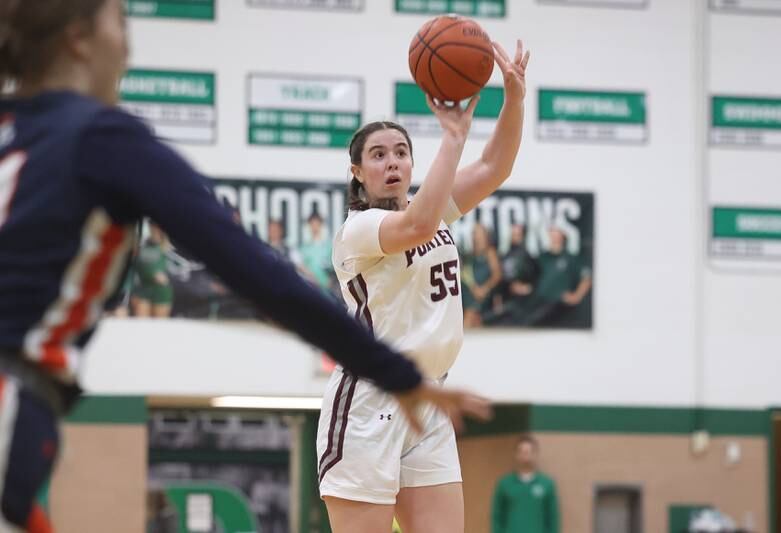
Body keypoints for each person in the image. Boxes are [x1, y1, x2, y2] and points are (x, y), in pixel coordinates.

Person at [0, 1, 490, 530]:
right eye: (120, 23)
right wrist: (395, 372)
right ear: (78, 39)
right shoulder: (102, 137)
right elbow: (257, 273)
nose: (128, 44)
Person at [317, 40, 530, 532]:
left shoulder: (433, 212)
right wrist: (453, 139)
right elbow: (414, 227)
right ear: (357, 172)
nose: (392, 162)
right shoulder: (358, 229)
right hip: (368, 405)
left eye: (401, 152)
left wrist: (514, 99)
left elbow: (496, 167)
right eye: (377, 155)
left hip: (431, 398)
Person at [491, 436, 560, 533]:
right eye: (522, 451)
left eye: (529, 451)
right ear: (516, 454)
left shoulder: (547, 484)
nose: (525, 455)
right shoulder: (504, 484)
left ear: (536, 454)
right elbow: (497, 516)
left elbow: (553, 518)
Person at [461, 222, 502, 328]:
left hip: (485, 293)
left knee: (471, 314)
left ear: (485, 236)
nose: (476, 237)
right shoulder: (469, 255)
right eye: (474, 233)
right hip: (470, 292)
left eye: (479, 234)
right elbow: (465, 275)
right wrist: (473, 288)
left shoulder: (490, 253)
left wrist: (484, 289)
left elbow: (497, 275)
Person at [131, 221, 173, 318]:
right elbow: (136, 265)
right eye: (152, 226)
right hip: (143, 287)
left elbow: (178, 268)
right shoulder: (141, 243)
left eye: (156, 227)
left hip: (161, 290)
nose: (154, 229)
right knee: (141, 323)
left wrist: (167, 277)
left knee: (159, 326)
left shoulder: (167, 247)